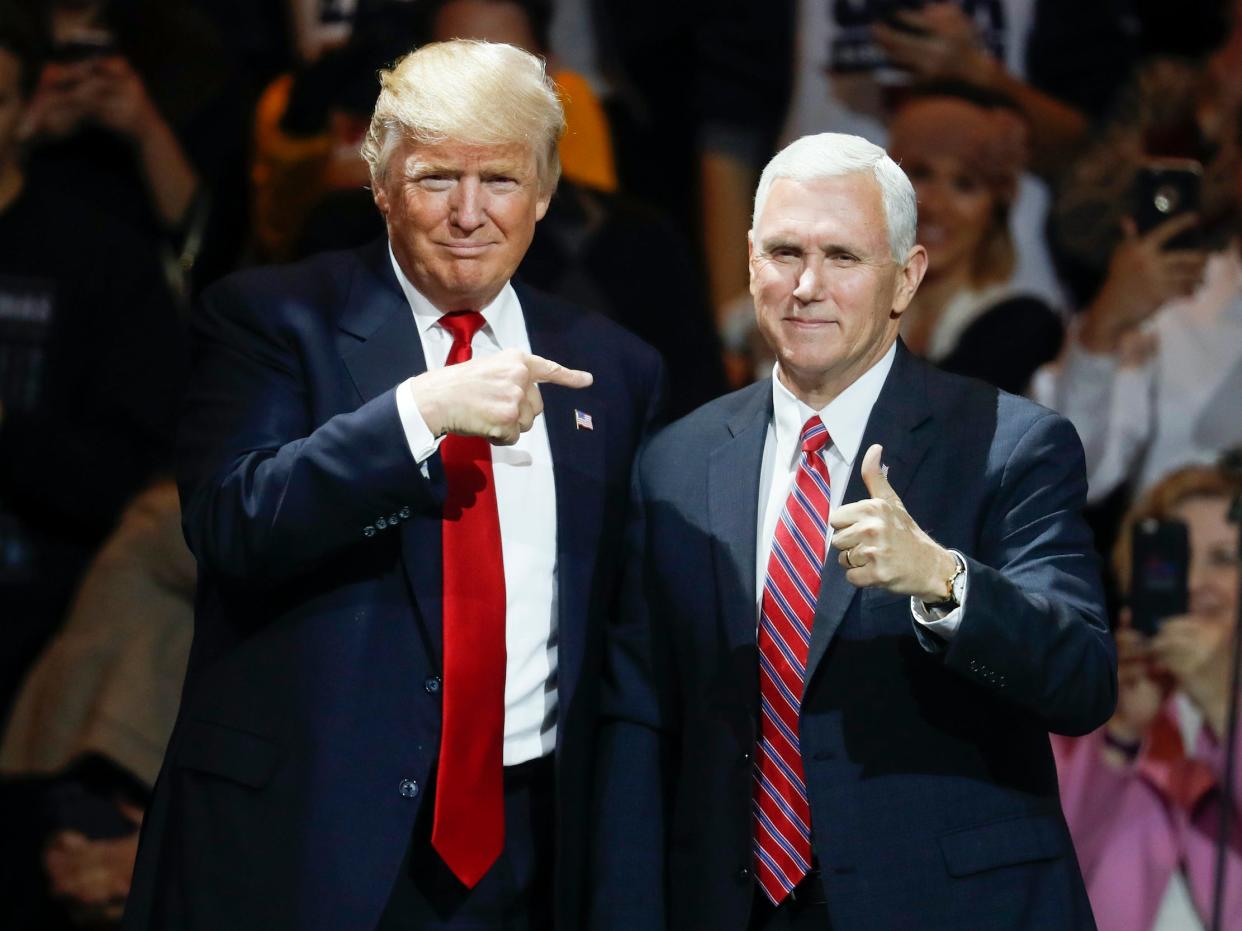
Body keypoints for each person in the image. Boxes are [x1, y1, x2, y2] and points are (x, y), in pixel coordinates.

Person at [122, 39, 664, 931]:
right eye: (434, 178)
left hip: (526, 851)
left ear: (546, 188)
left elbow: (621, 627)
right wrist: (418, 412)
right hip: (303, 842)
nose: (467, 213)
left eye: (498, 179)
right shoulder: (271, 318)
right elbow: (233, 521)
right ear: (379, 184)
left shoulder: (614, 368)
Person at [591, 133, 1116, 930]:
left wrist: (947, 582)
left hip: (949, 906)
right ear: (749, 261)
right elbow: (640, 720)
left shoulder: (1010, 444)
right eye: (783, 252)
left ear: (905, 278)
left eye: (842, 256)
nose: (806, 285)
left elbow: (1082, 679)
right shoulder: (675, 460)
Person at [1054, 464, 1242, 931]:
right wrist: (1120, 733)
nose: (1197, 584)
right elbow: (1048, 871)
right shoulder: (1082, 707)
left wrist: (1223, 704)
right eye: (1176, 560)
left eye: (1224, 559)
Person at [886, 82, 1063, 395]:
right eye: (921, 174)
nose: (937, 206)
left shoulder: (1022, 325)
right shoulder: (844, 307)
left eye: (964, 184)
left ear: (997, 204)